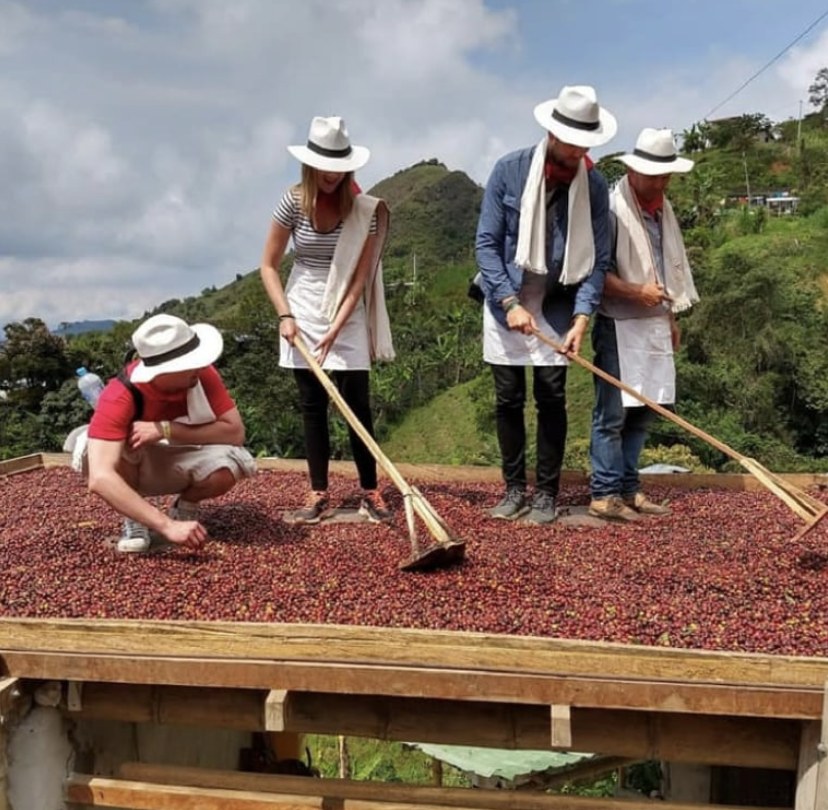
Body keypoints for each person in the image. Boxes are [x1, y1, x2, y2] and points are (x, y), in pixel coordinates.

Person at [475, 85, 616, 524]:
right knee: (508, 398)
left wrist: (581, 318)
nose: (576, 152)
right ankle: (514, 488)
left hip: (557, 303)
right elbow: (486, 244)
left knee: (552, 395)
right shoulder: (510, 171)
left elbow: (597, 260)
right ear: (552, 135)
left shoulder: (591, 185)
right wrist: (509, 301)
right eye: (570, 142)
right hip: (507, 301)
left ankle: (546, 494)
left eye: (583, 145)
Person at [260, 115, 394, 525]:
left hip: (347, 309)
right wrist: (285, 315)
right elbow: (268, 265)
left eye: (340, 167)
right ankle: (318, 491)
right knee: (312, 405)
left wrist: (339, 324)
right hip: (302, 303)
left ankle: (370, 490)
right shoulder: (293, 201)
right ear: (311, 164)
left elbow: (360, 276)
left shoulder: (364, 209)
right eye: (326, 166)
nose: (333, 175)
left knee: (357, 403)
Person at [589, 128, 698, 521]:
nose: (660, 182)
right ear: (634, 171)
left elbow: (665, 271)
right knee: (613, 412)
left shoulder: (662, 210)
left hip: (652, 323)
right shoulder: (613, 209)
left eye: (665, 175)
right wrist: (638, 293)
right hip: (618, 321)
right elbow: (594, 272)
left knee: (645, 408)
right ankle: (604, 493)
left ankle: (630, 488)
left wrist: (668, 317)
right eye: (653, 175)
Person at [86, 314, 257, 553]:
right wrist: (166, 526)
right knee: (107, 448)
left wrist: (165, 429)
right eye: (192, 362)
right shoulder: (118, 396)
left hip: (180, 453)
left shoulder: (202, 375)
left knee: (228, 466)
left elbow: (235, 433)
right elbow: (100, 477)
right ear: (167, 370)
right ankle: (137, 519)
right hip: (138, 464)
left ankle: (184, 508)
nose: (200, 365)